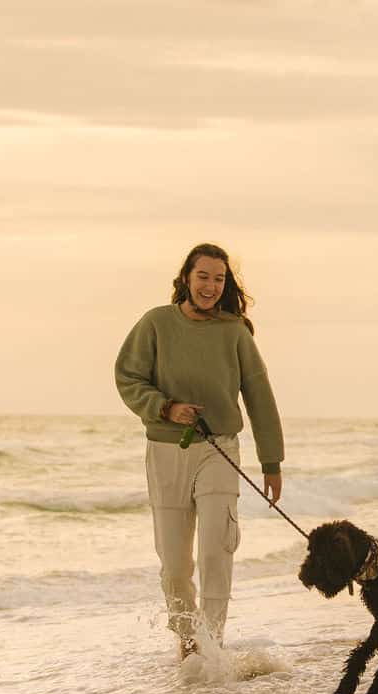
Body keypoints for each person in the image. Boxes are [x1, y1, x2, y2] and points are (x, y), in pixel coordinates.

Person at [114, 243, 284, 658]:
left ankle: (212, 644)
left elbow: (259, 396)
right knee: (174, 565)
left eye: (219, 278)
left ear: (226, 285)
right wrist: (166, 408)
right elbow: (128, 377)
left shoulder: (235, 332)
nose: (210, 286)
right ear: (186, 278)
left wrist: (271, 461)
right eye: (203, 276)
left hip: (218, 449)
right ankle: (187, 638)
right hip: (166, 452)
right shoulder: (155, 323)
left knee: (215, 551)